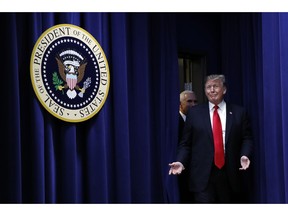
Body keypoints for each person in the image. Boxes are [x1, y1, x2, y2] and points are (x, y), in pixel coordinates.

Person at [169, 74, 253, 203]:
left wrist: (245, 155)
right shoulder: (194, 113)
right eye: (208, 87)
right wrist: (181, 161)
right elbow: (185, 143)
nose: (211, 90)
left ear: (224, 89)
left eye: (215, 86)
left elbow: (247, 138)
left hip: (229, 175)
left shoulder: (238, 112)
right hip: (202, 176)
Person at [178, 90, 197, 203]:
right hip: (180, 171)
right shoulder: (175, 121)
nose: (193, 105)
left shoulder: (197, 120)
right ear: (180, 104)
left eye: (195, 101)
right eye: (189, 101)